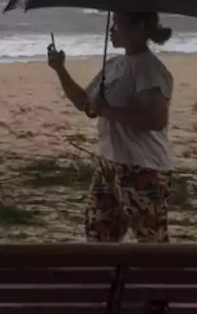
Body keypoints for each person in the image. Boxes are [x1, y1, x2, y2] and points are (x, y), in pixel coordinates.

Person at [46, 12, 175, 243]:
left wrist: (107, 111)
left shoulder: (149, 69)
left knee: (151, 241)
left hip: (142, 169)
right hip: (109, 165)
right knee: (99, 237)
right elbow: (85, 103)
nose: (111, 29)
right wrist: (60, 70)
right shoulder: (115, 64)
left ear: (137, 28)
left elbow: (156, 120)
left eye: (117, 23)